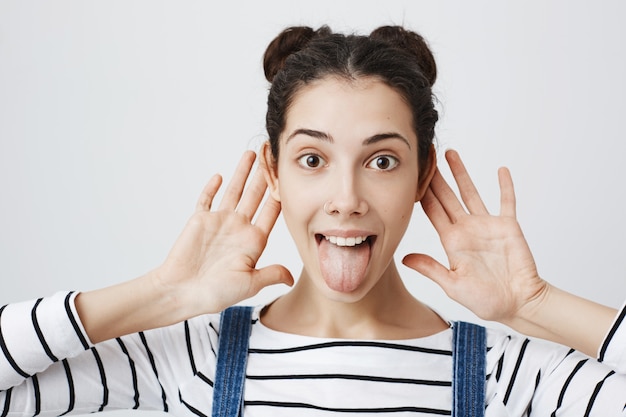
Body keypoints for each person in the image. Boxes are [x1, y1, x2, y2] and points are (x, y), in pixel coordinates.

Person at [1, 24, 625, 416]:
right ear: (274, 171)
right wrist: (160, 297)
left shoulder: (504, 375)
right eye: (312, 158)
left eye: (382, 159)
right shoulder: (194, 362)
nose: (346, 198)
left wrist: (533, 305)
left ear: (422, 176)